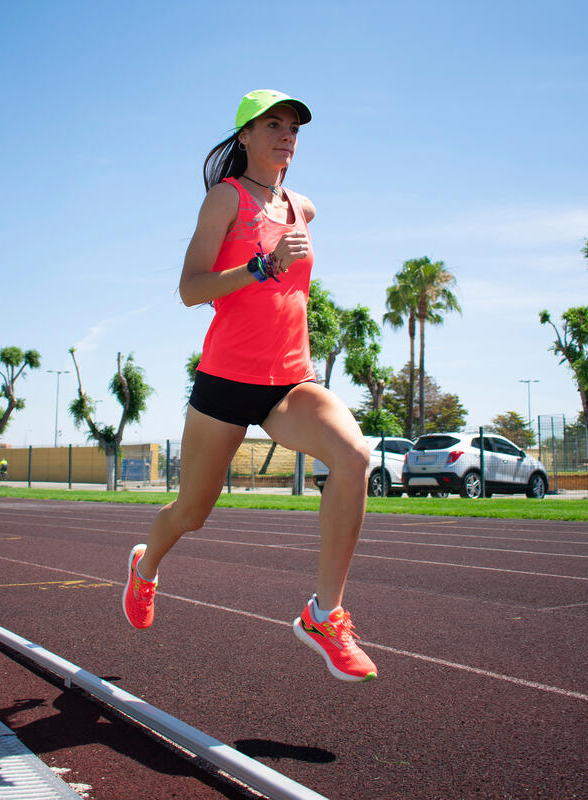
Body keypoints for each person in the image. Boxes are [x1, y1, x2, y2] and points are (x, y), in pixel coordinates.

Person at [123, 89, 377, 682]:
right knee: (192, 512)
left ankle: (324, 614)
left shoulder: (302, 207)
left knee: (355, 455)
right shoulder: (225, 199)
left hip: (289, 380)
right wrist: (262, 266)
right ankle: (145, 566)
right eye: (274, 125)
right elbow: (190, 289)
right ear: (245, 136)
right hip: (225, 380)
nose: (287, 135)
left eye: (293, 127)